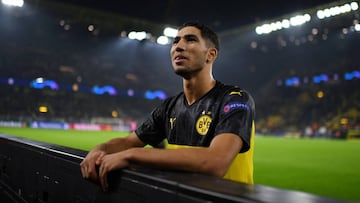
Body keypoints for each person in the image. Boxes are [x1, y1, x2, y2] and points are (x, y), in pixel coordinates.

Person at [80, 21, 255, 191]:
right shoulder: (169, 107)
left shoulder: (234, 99)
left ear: (211, 54)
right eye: (175, 41)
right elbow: (128, 141)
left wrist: (131, 155)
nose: (179, 46)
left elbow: (216, 162)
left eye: (190, 39)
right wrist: (100, 149)